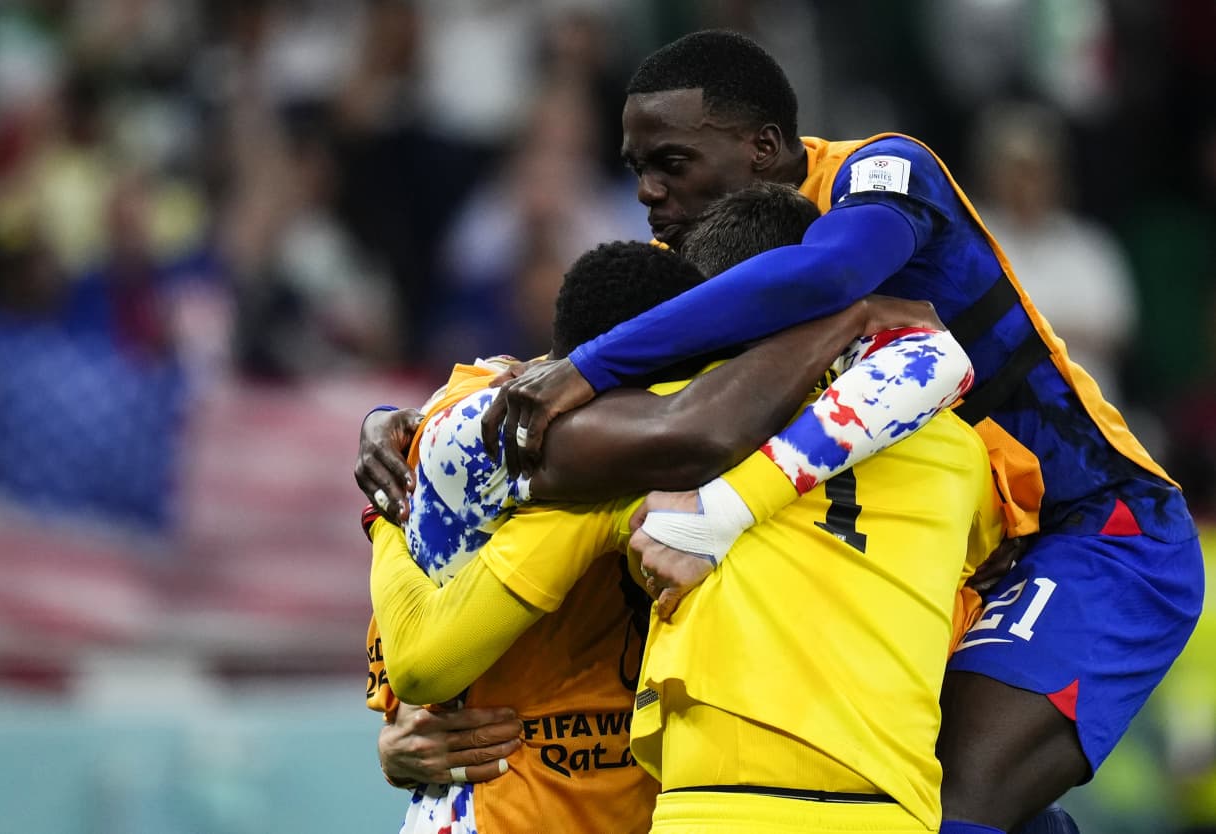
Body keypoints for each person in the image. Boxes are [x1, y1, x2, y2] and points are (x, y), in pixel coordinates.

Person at [476, 29, 1203, 834]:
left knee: (951, 808)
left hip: (1094, 530)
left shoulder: (882, 172)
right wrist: (419, 421)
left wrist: (591, 367)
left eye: (671, 163)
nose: (648, 191)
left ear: (764, 147)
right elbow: (560, 367)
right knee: (937, 790)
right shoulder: (695, 260)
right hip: (954, 545)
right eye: (637, 170)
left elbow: (828, 275)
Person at [369, 241, 993, 832]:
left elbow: (426, 663)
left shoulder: (629, 469)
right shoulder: (963, 454)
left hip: (689, 803)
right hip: (533, 806)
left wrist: (380, 525)